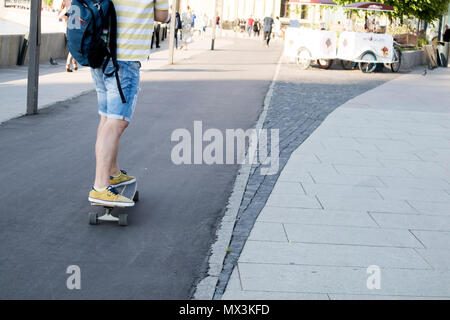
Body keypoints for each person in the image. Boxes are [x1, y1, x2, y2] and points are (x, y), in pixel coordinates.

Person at [88, 1, 169, 206]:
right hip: (125, 56)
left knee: (107, 117)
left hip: (100, 52)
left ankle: (112, 172)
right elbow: (161, 16)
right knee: (118, 122)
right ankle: (100, 187)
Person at [58, 0, 78, 72]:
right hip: (72, 31)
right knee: (73, 48)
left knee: (74, 48)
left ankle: (74, 63)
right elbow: (60, 15)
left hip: (70, 31)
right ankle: (68, 64)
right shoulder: (69, 8)